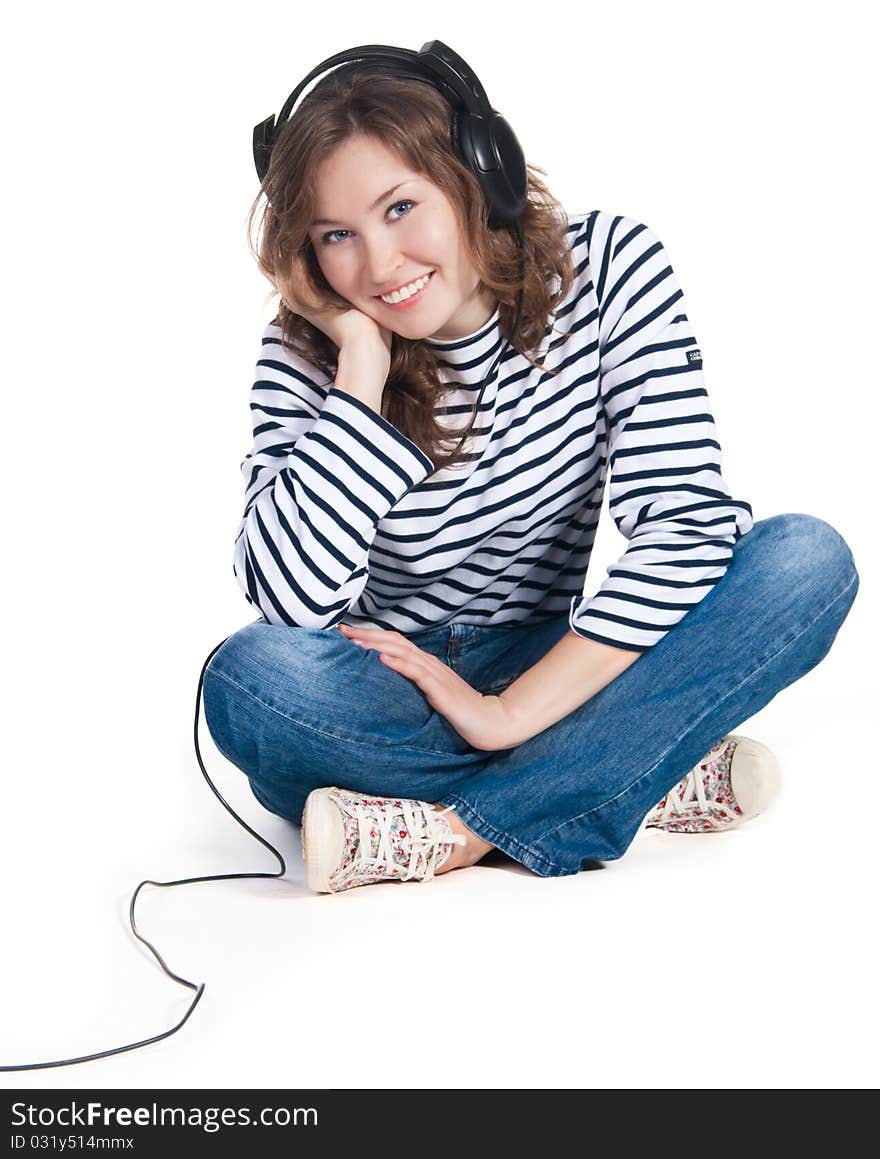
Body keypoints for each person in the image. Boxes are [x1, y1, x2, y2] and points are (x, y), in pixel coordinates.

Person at [203, 61, 859, 895]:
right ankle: (632, 763)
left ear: (478, 174)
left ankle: (449, 830)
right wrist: (359, 374)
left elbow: (686, 529)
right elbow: (291, 604)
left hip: (561, 658)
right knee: (251, 683)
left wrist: (506, 715)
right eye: (336, 235)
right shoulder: (307, 355)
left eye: (400, 208)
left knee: (806, 559)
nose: (377, 264)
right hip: (388, 687)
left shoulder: (610, 268)